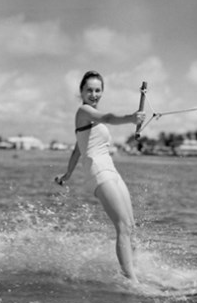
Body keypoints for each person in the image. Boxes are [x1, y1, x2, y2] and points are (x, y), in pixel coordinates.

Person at [55, 71, 145, 284]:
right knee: (122, 226)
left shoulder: (89, 120)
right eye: (89, 90)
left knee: (131, 227)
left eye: (98, 90)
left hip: (111, 170)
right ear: (82, 92)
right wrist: (130, 118)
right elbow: (108, 117)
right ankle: (131, 282)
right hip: (97, 171)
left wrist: (67, 174)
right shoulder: (84, 111)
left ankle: (136, 272)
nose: (94, 94)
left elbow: (77, 149)